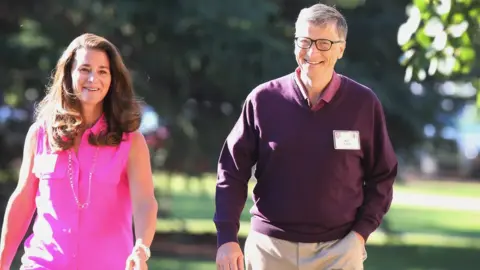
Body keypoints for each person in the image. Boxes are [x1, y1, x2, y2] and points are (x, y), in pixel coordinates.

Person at [214, 3, 398, 270]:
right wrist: (227, 238)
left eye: (324, 43)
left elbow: (383, 174)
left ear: (341, 48)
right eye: (305, 41)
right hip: (270, 251)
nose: (312, 52)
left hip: (340, 252)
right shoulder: (263, 100)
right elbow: (231, 171)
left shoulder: (363, 104)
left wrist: (359, 235)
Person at [0, 33, 158, 270]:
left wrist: (141, 248)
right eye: (84, 69)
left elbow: (145, 202)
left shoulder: (131, 142)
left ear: (113, 80)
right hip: (42, 264)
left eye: (103, 71)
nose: (93, 78)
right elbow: (22, 202)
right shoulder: (39, 134)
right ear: (69, 74)